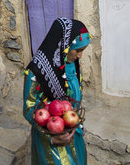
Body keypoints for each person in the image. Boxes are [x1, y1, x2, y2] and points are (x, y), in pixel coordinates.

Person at [23, 17, 90, 165]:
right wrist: (51, 137)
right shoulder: (36, 72)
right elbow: (29, 109)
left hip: (73, 135)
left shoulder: (72, 65)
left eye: (82, 51)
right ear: (64, 45)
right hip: (50, 143)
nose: (80, 56)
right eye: (78, 50)